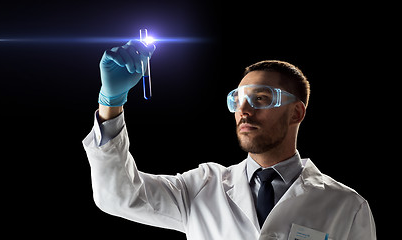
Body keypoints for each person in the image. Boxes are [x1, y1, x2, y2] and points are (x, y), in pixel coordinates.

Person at [82, 40, 376, 240]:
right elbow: (119, 197)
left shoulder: (346, 206)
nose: (244, 111)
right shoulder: (201, 188)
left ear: (296, 112)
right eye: (238, 100)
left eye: (261, 99)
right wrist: (111, 103)